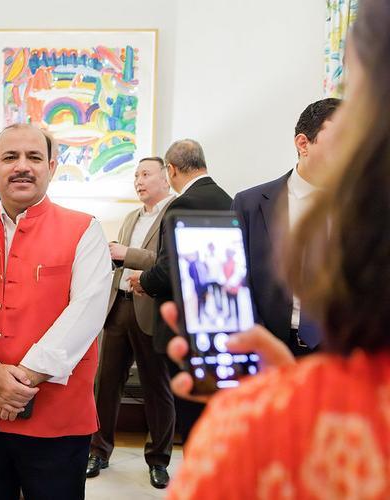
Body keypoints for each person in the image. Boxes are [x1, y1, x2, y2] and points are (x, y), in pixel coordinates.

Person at [165, 1, 390, 496]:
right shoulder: (251, 202)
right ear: (302, 143)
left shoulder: (252, 439)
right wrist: (289, 390)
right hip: (281, 353)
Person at [0, 123, 112, 500]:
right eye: (10, 157)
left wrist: (19, 381)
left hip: (57, 416)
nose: (22, 166)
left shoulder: (84, 230)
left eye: (34, 157)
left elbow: (86, 313)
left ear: (51, 165)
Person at [128, 139, 232, 445]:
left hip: (184, 324)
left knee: (190, 413)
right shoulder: (228, 199)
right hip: (217, 319)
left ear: (171, 170)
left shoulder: (182, 204)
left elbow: (170, 266)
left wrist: (144, 281)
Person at [86, 157, 176, 489]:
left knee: (157, 387)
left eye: (146, 174)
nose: (138, 180)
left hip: (151, 310)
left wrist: (126, 252)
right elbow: (118, 259)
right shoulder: (129, 217)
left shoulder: (174, 213)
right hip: (119, 307)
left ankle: (158, 460)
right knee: (105, 383)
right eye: (136, 175)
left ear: (166, 178)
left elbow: (168, 262)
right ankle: (99, 450)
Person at [231, 98, 341, 356]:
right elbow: (236, 281)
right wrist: (258, 345)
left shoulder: (364, 208)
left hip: (339, 355)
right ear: (303, 144)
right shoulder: (250, 204)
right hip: (271, 349)